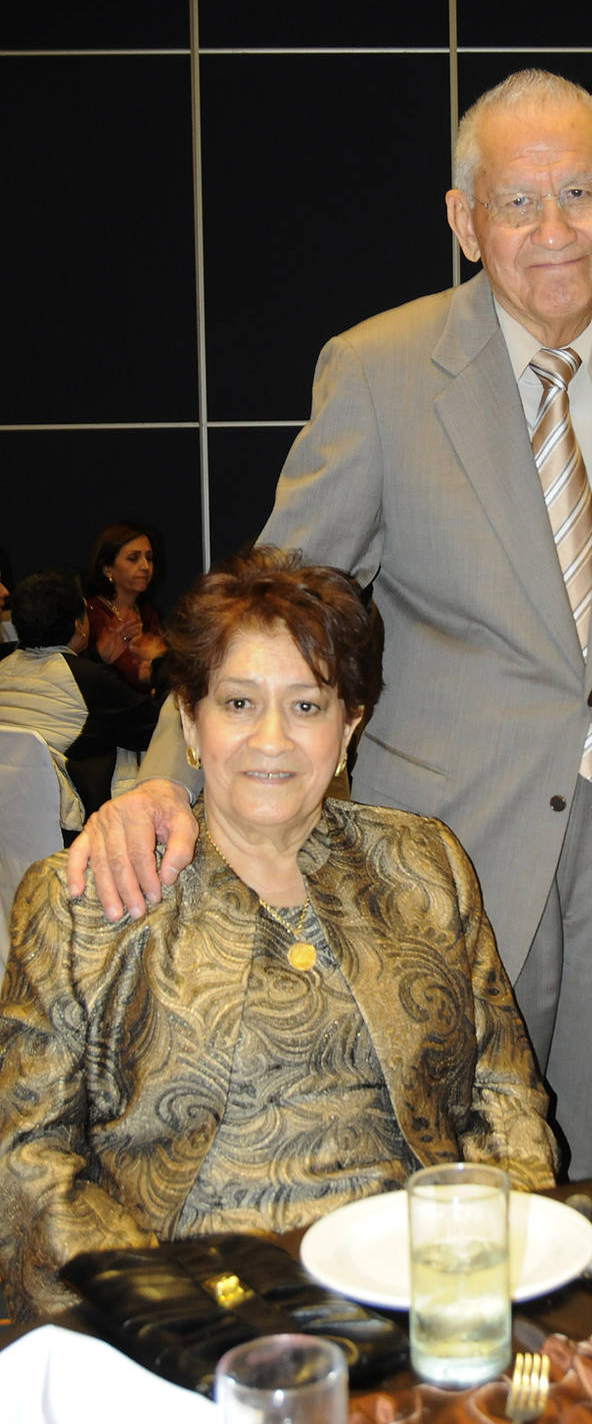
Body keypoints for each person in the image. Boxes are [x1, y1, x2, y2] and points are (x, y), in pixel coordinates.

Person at [67, 69, 592, 1178]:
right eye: (517, 202)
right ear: (463, 220)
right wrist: (164, 782)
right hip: (437, 861)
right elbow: (267, 609)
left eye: (578, 193)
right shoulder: (378, 371)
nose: (553, 230)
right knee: (441, 1172)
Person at [0, 547, 557, 1321]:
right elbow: (26, 1165)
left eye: (306, 706)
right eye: (238, 703)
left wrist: (497, 1261)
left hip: (424, 1293)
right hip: (193, 1316)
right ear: (190, 722)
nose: (272, 739)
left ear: (349, 725)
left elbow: (506, 1098)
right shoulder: (88, 898)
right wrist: (164, 1313)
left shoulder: (426, 866)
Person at [0, 570, 162, 821]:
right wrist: (161, 663)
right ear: (79, 625)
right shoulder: (88, 680)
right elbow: (157, 727)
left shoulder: (5, 667)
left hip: (12, 823)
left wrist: (97, 659)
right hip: (71, 829)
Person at [85, 522, 167, 693]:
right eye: (133, 558)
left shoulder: (149, 614)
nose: (145, 566)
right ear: (107, 569)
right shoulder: (91, 615)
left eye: (149, 558)